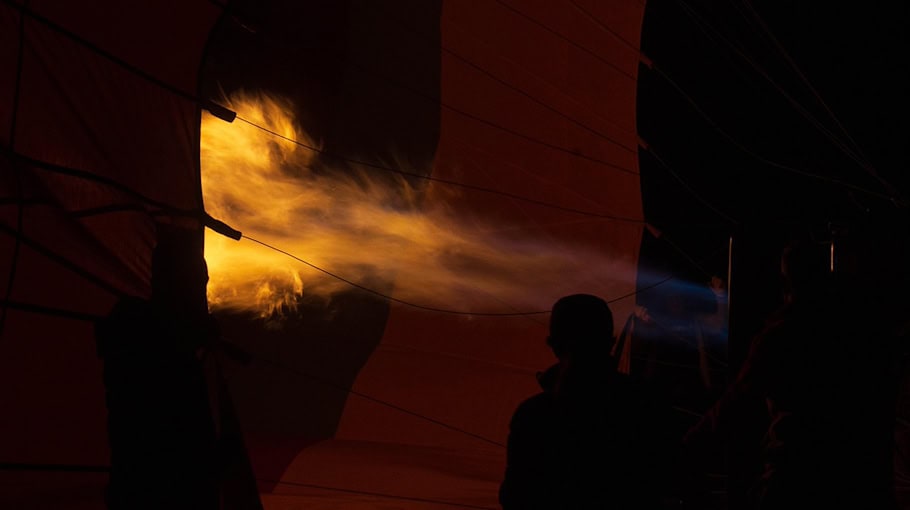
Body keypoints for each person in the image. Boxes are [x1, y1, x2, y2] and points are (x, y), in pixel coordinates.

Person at [683, 236, 896, 509]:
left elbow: (739, 398)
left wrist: (690, 443)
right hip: (854, 475)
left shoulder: (781, 334)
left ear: (786, 282)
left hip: (795, 472)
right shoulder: (857, 330)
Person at [499, 293, 684, 509]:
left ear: (554, 345)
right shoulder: (645, 405)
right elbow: (670, 479)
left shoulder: (533, 416)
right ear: (610, 342)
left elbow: (515, 496)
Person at [95, 224, 220, 510]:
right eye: (197, 282)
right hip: (156, 493)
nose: (202, 291)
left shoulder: (140, 331)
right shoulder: (137, 331)